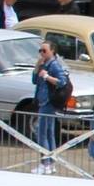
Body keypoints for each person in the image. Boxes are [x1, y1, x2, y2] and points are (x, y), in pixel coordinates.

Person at [29, 40, 69, 171]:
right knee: (49, 132)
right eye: (40, 50)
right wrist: (37, 67)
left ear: (52, 51)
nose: (41, 53)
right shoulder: (44, 64)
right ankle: (51, 163)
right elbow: (35, 81)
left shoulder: (54, 65)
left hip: (48, 102)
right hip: (42, 102)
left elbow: (62, 82)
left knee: (42, 133)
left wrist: (47, 77)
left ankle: (45, 162)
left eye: (44, 51)